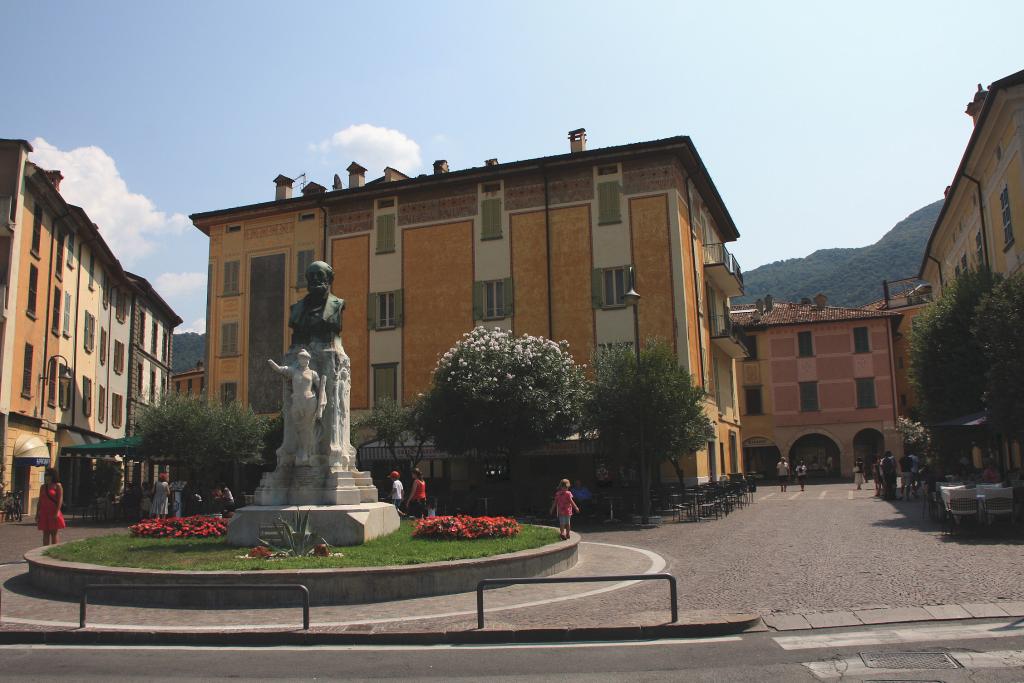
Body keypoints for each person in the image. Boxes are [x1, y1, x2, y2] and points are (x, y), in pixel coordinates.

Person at [36, 467, 66, 546]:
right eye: (45, 475)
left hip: (53, 511)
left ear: (53, 476)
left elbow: (60, 500)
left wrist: (57, 512)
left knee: (53, 533)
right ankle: (44, 550)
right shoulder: (43, 487)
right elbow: (40, 500)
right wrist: (37, 513)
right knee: (45, 533)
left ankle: (53, 550)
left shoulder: (58, 485)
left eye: (48, 475)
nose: (46, 476)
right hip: (44, 512)